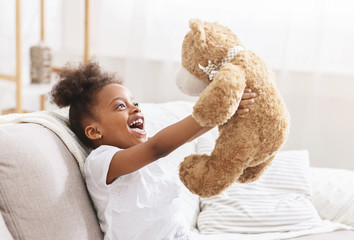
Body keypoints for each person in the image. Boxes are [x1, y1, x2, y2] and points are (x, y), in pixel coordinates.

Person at [50, 61, 256, 240]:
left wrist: (225, 112)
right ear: (95, 131)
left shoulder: (140, 152)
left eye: (135, 103)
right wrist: (212, 109)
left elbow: (185, 138)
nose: (136, 109)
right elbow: (158, 147)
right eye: (121, 106)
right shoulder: (101, 162)